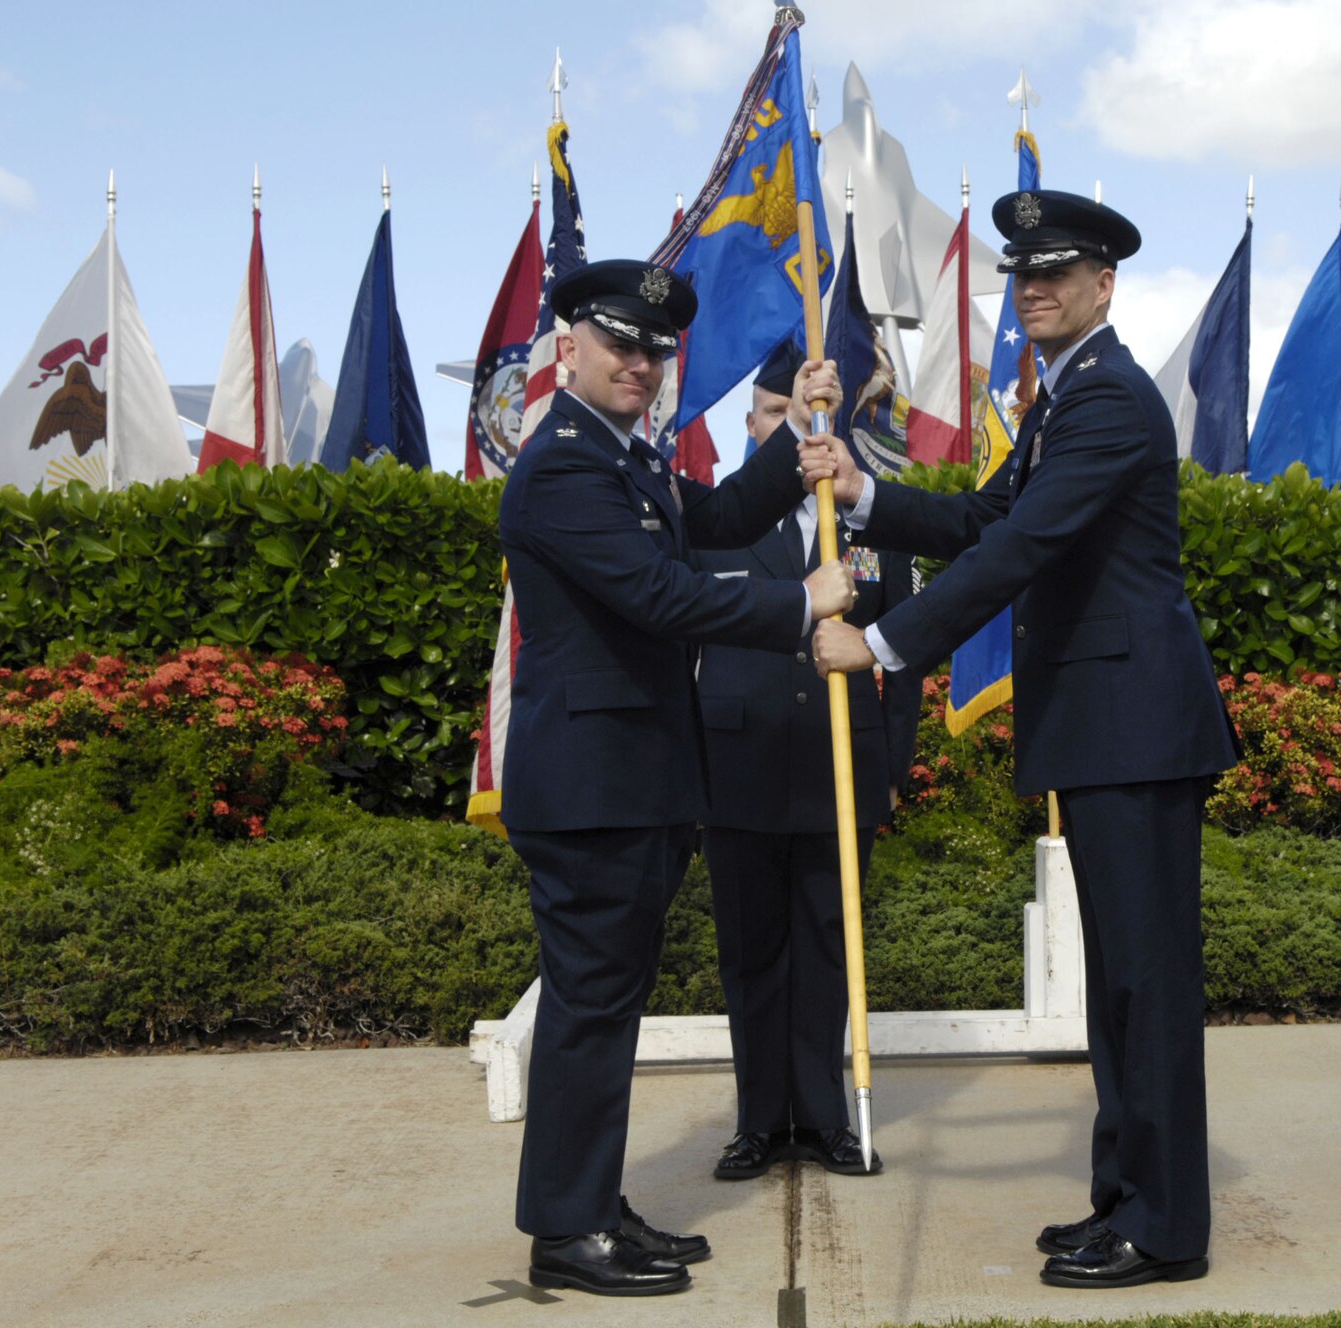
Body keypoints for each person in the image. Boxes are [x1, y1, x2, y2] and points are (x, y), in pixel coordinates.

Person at [809, 189, 1238, 1290]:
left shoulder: (1108, 401)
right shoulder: (1063, 398)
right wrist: (864, 496)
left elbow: (1020, 553)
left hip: (1134, 727)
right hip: (1105, 724)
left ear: (1103, 284)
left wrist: (885, 642)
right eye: (1020, 274)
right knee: (1119, 988)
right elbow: (984, 519)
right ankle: (1124, 1196)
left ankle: (1165, 1227)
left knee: (1145, 983)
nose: (1032, 288)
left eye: (1055, 271)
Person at [497, 258, 855, 1298]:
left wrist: (798, 434)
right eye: (619, 344)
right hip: (591, 787)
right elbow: (661, 593)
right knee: (589, 1006)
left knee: (606, 1005)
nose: (639, 364)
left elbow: (722, 520)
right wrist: (803, 603)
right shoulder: (564, 464)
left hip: (635, 783)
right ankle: (566, 1231)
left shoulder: (627, 462)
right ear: (570, 346)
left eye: (654, 351)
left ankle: (590, 1205)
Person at [694, 341, 922, 1181]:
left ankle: (824, 1118)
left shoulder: (865, 524)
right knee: (751, 952)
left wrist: (892, 763)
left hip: (840, 766)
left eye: (802, 416)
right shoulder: (718, 521)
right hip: (739, 769)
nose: (786, 433)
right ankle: (758, 1122)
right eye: (769, 415)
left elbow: (904, 654)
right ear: (753, 426)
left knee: (830, 944)